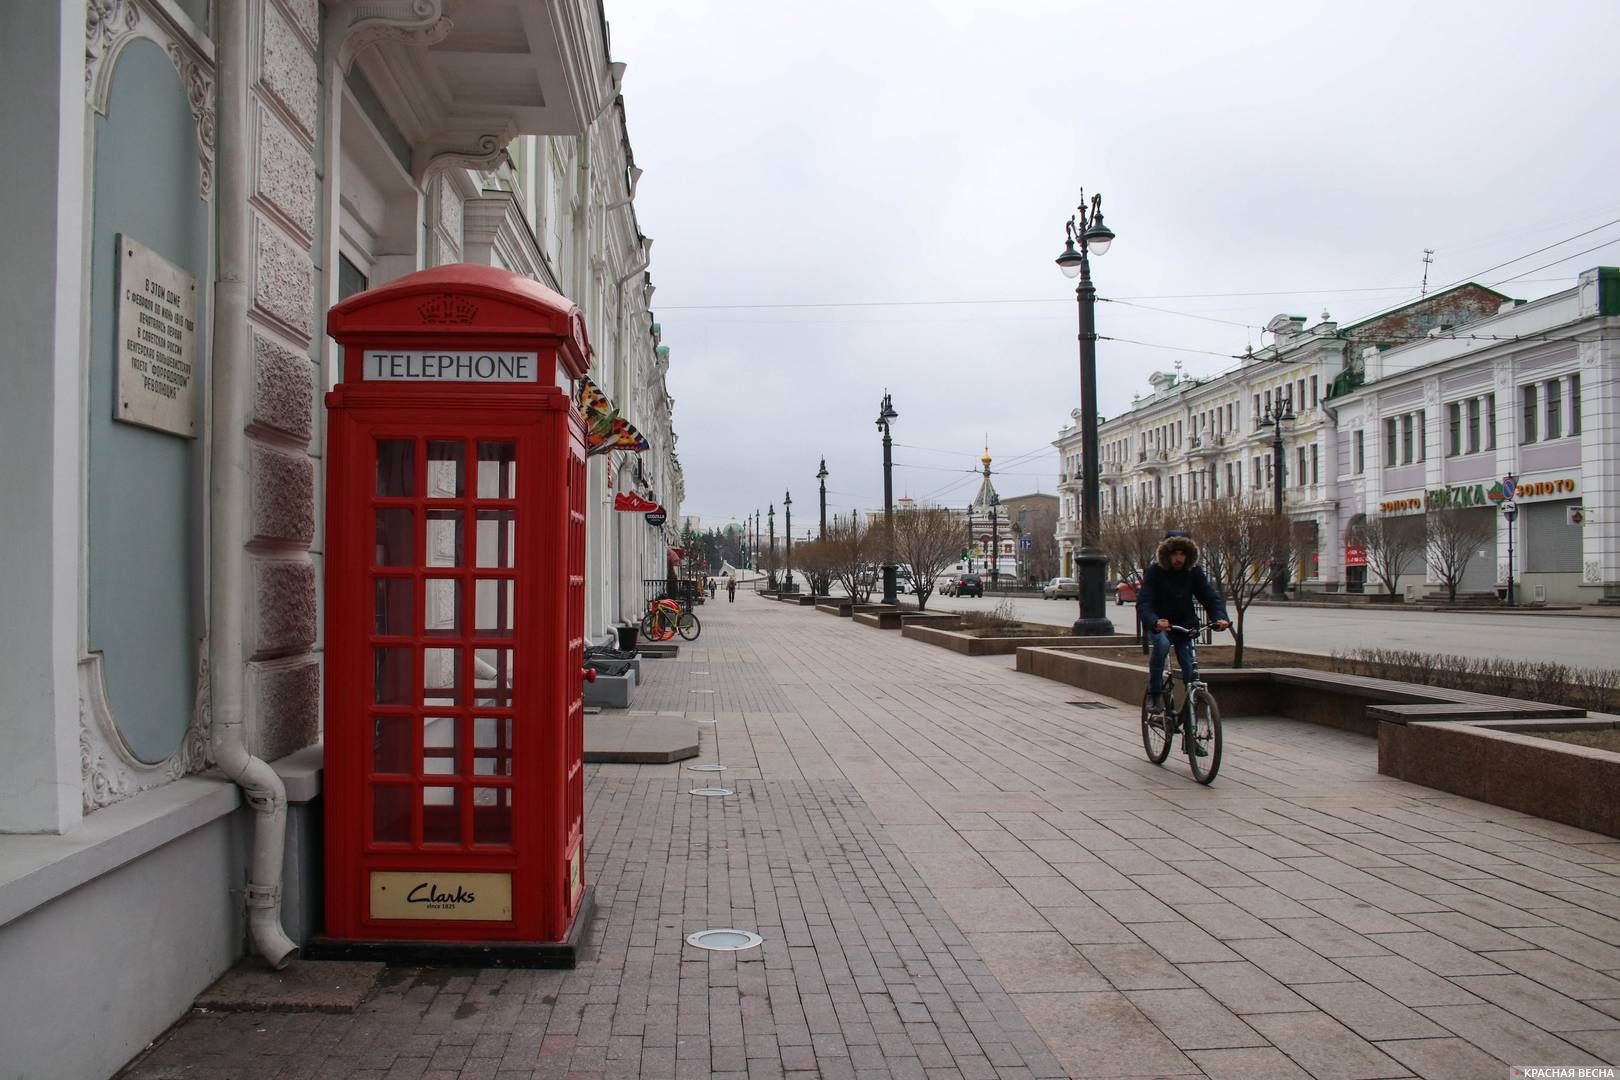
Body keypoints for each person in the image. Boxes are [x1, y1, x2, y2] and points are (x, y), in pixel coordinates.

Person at [1135, 530, 1230, 753]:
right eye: (1175, 554)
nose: (1179, 558)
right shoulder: (1155, 573)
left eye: (1183, 554)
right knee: (1160, 645)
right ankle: (1156, 694)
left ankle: (1190, 737)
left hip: (1185, 627)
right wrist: (1155, 621)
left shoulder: (1193, 573)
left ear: (1188, 555)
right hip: (1161, 625)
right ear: (1167, 554)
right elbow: (1144, 602)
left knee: (1191, 675)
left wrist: (1220, 617)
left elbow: (1209, 596)